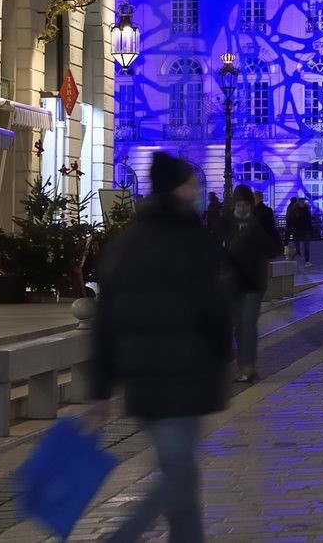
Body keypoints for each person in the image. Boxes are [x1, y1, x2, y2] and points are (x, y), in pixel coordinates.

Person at [92, 151, 232, 543]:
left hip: (142, 378)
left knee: (181, 477)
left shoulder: (125, 243)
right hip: (184, 375)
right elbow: (214, 307)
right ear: (177, 188)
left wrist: (101, 386)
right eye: (191, 182)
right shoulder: (191, 238)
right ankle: (119, 538)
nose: (196, 188)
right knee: (179, 474)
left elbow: (106, 319)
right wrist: (224, 354)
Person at [217, 185, 278, 383]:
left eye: (246, 205)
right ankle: (241, 364)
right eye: (239, 205)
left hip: (253, 281)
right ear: (234, 205)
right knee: (238, 325)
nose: (242, 208)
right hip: (233, 281)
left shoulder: (260, 222)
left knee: (248, 322)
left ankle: (248, 365)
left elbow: (273, 247)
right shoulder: (225, 222)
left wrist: (258, 238)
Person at [285, 196, 314, 265]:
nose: (302, 203)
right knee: (296, 245)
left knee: (306, 246)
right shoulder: (294, 210)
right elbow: (290, 219)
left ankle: (306, 260)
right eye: (301, 202)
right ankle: (294, 257)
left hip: (305, 230)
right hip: (297, 230)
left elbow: (309, 220)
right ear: (298, 202)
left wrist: (310, 228)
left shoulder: (306, 209)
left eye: (303, 202)